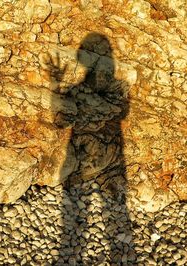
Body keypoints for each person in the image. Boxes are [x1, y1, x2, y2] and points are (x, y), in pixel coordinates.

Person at [47, 32, 134, 265]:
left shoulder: (118, 87)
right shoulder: (78, 91)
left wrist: (89, 99)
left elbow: (118, 112)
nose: (101, 73)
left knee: (112, 209)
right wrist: (55, 86)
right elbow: (60, 121)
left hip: (108, 160)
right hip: (83, 161)